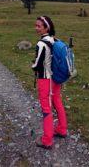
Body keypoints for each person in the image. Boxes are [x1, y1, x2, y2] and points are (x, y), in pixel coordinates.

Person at [32, 15, 68, 149]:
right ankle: (62, 129)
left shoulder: (41, 44)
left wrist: (33, 65)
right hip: (56, 79)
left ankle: (47, 140)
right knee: (57, 102)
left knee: (46, 108)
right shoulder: (55, 40)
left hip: (45, 80)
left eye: (39, 26)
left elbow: (37, 65)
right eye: (36, 25)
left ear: (46, 27)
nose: (36, 28)